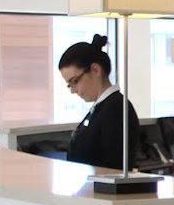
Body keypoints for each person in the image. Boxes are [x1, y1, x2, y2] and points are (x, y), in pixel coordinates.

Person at [56, 34, 141, 170]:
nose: (73, 90)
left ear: (95, 70)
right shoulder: (101, 107)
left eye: (75, 81)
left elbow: (113, 166)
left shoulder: (115, 109)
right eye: (69, 85)